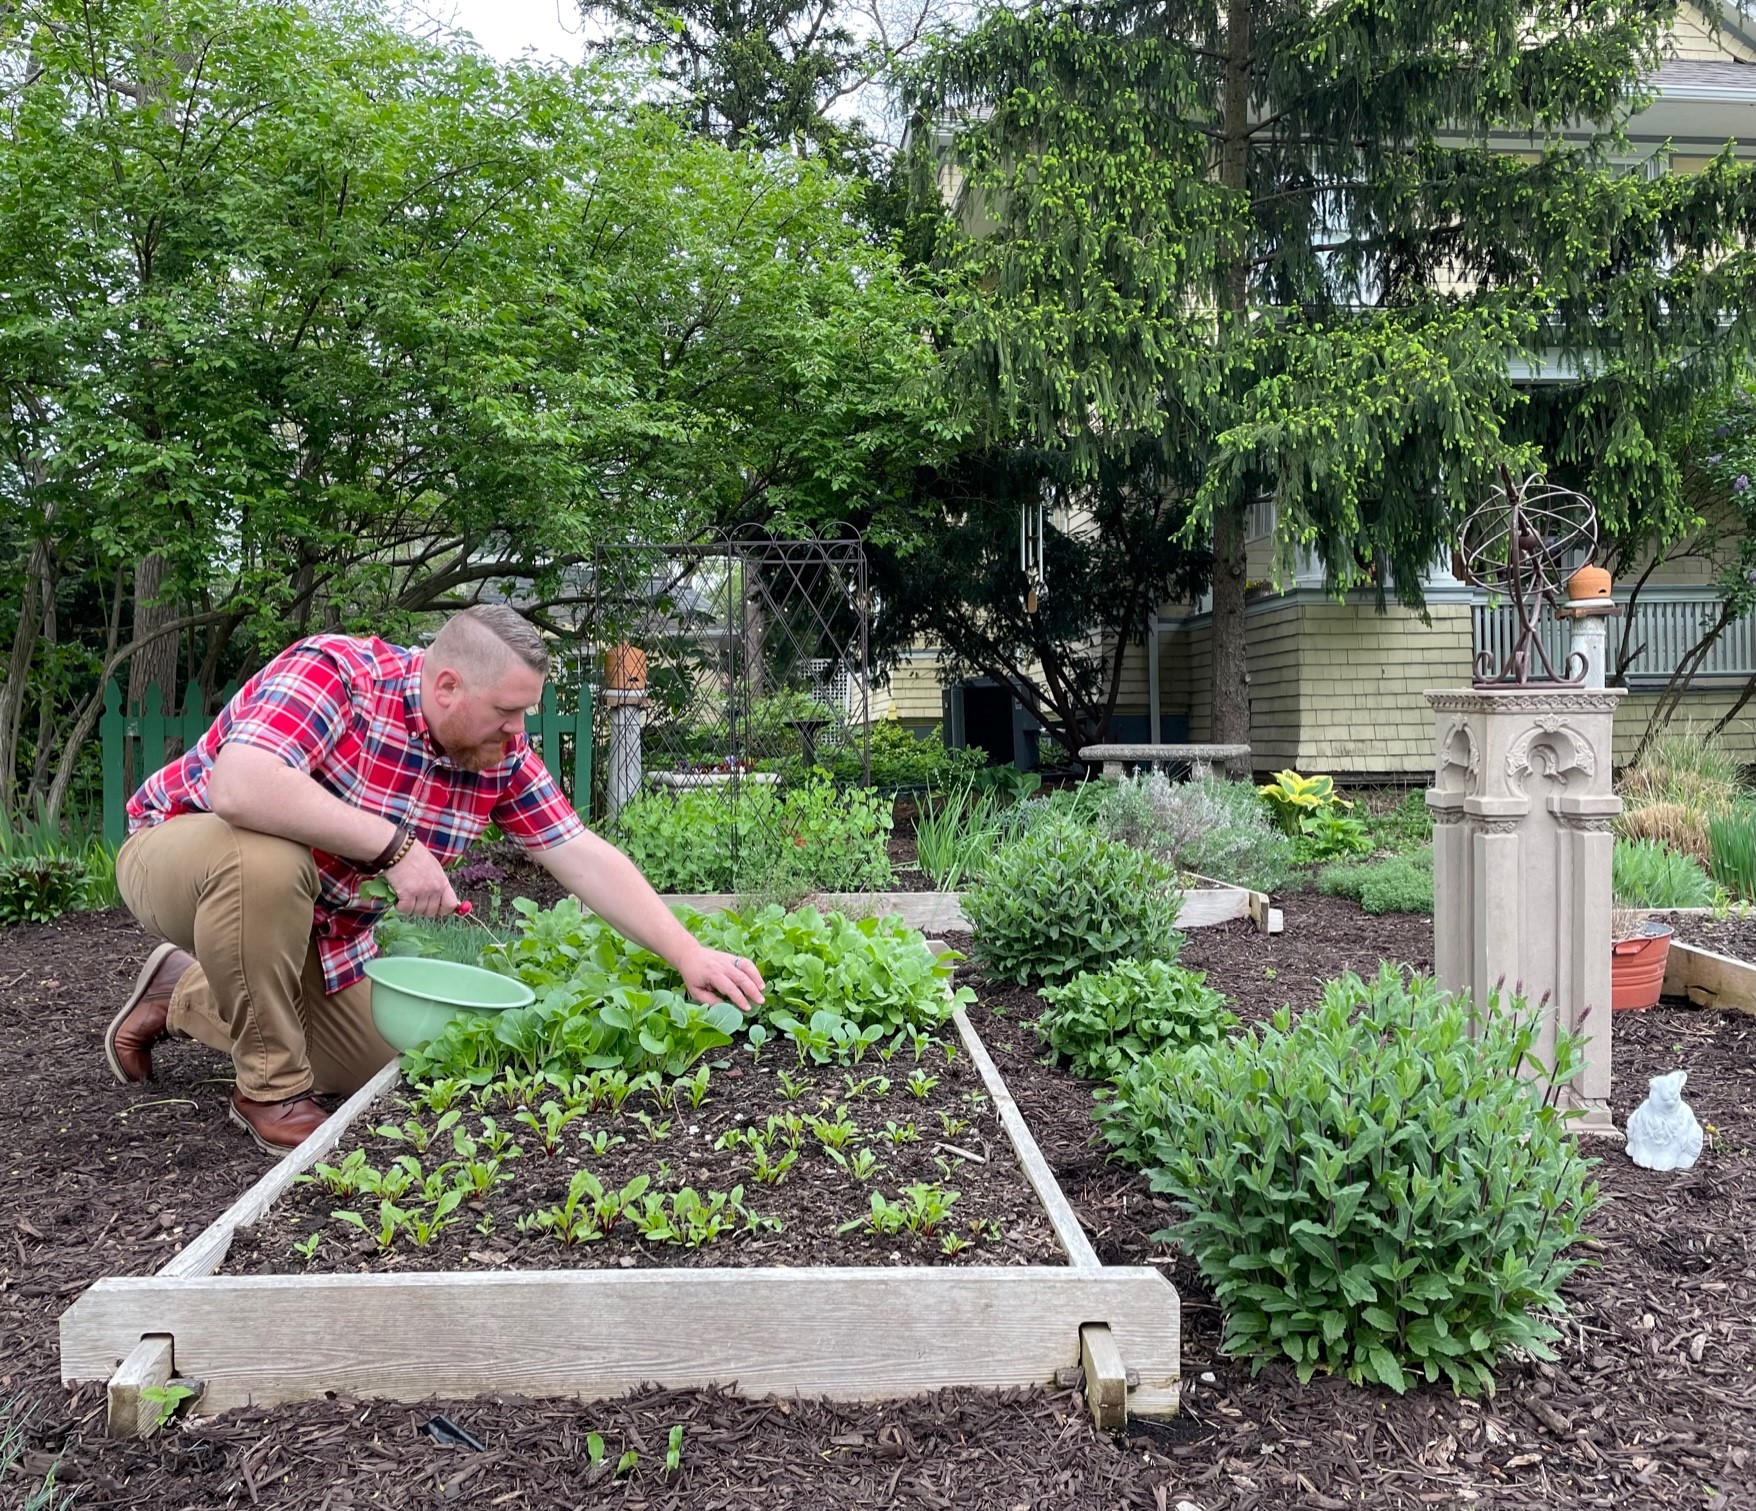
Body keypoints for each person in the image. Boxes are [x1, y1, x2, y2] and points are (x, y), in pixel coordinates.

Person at [107, 606, 765, 1152]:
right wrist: (395, 847)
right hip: (184, 855)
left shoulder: (497, 755)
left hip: (313, 931)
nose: (519, 731)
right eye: (507, 711)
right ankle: (270, 1093)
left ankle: (181, 991)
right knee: (268, 861)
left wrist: (687, 951)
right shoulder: (339, 673)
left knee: (376, 1062)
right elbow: (241, 784)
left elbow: (581, 852)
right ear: (446, 685)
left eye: (525, 714)